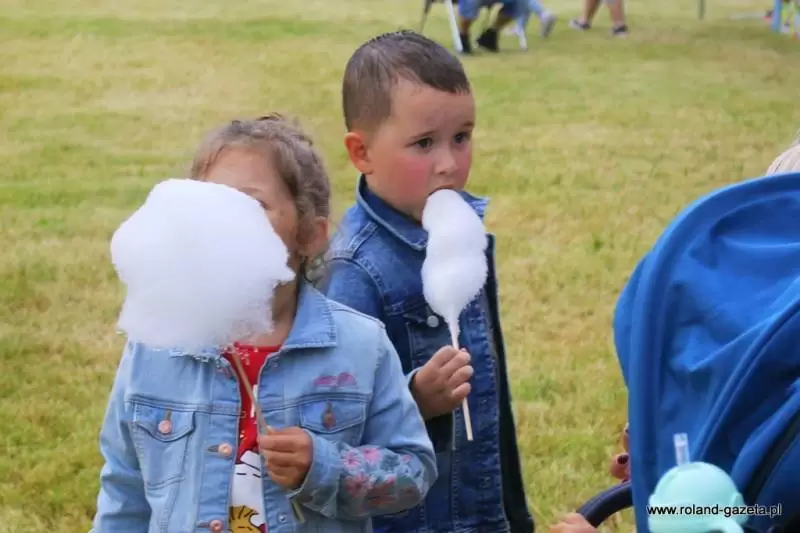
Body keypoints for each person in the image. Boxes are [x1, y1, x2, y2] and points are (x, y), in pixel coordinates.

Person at [91, 115, 438, 533]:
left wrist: (324, 466)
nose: (226, 222)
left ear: (309, 235)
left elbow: (413, 472)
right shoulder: (156, 346)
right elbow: (125, 487)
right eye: (211, 204)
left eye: (252, 205)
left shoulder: (361, 346)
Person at [320, 30, 534, 533]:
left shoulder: (460, 233)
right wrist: (415, 396)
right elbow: (336, 417)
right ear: (362, 152)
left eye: (462, 137)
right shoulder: (354, 270)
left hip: (481, 495)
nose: (449, 164)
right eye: (424, 144)